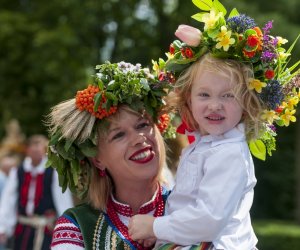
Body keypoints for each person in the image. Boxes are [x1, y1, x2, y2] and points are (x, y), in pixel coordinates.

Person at [128, 1, 300, 249]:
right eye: (204, 95)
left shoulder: (229, 153)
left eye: (228, 96)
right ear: (188, 98)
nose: (215, 105)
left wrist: (155, 226)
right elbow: (187, 206)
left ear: (247, 103)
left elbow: (210, 219)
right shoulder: (203, 146)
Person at [47, 61, 175, 249]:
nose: (139, 139)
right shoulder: (77, 226)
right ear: (97, 160)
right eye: (119, 135)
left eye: (143, 125)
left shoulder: (193, 208)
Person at [0, 134, 74, 250]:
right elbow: (8, 201)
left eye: (39, 149)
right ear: (27, 150)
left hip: (45, 229)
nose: (35, 153)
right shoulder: (18, 171)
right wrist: (3, 227)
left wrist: (66, 230)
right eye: (32, 149)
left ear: (44, 151)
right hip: (22, 230)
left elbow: (63, 202)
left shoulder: (53, 172)